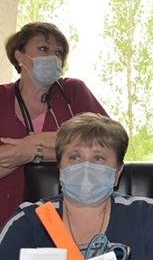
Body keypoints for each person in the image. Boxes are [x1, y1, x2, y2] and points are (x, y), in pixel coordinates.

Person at [0, 113, 153, 260]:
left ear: (117, 172)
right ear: (60, 169)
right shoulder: (29, 219)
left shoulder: (143, 214)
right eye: (75, 157)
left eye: (98, 158)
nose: (85, 167)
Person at [0, 22, 107, 226]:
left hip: (66, 215)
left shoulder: (73, 91)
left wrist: (33, 148)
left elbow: (105, 143)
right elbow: (81, 143)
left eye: (58, 52)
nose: (53, 57)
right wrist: (67, 144)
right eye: (43, 48)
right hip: (6, 214)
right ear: (19, 55)